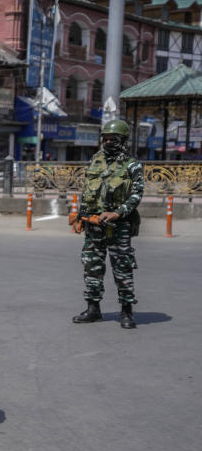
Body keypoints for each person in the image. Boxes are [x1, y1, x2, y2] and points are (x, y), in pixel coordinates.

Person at [71, 119, 144, 329]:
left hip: (118, 226)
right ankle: (93, 308)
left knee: (122, 268)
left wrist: (117, 213)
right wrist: (82, 215)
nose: (109, 142)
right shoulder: (96, 160)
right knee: (92, 266)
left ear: (123, 141)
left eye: (114, 139)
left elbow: (137, 195)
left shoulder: (132, 165)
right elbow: (88, 189)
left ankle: (127, 312)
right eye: (106, 138)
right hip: (93, 225)